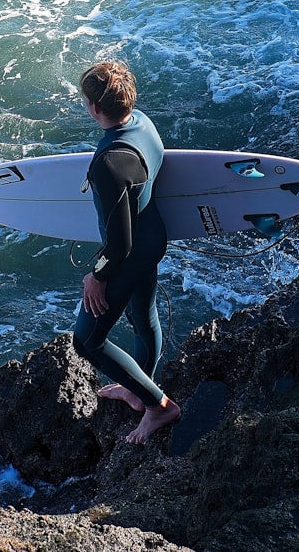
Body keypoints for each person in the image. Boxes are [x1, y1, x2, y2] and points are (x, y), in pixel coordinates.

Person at [72, 60, 181, 444]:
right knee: (142, 316)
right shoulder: (143, 124)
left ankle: (158, 406)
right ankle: (137, 389)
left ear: (95, 108)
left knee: (86, 340)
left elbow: (119, 244)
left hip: (129, 254)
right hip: (152, 237)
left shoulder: (108, 163)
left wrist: (97, 276)